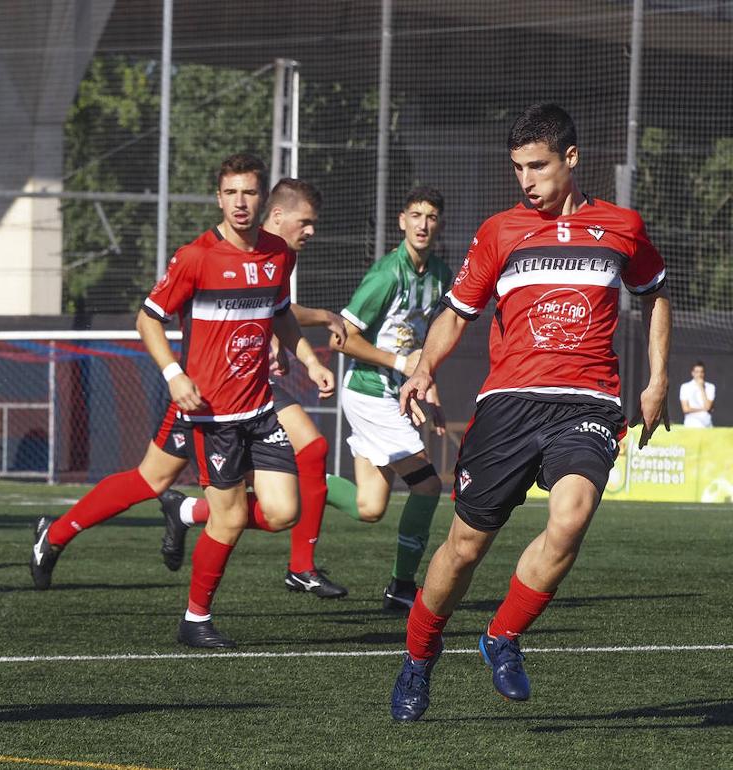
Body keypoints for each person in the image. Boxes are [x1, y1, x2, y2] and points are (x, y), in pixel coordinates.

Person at [389, 103, 671, 722]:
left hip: (588, 402)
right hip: (509, 404)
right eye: (517, 168)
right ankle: (418, 658)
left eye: (538, 166)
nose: (526, 180)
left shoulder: (622, 226)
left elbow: (654, 296)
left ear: (571, 159)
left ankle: (503, 636)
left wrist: (657, 381)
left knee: (571, 518)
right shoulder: (498, 232)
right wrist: (423, 367)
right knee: (464, 547)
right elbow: (457, 312)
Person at [28, 177, 344, 595]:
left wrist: (294, 351)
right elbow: (221, 306)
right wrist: (314, 320)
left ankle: (291, 560)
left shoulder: (279, 254)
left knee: (308, 455)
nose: (310, 231)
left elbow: (271, 306)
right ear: (279, 214)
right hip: (207, 395)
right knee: (151, 480)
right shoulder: (214, 252)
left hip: (252, 394)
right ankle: (58, 535)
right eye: (305, 222)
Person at [140, 153, 334, 648]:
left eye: (248, 192)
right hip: (214, 416)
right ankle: (195, 618)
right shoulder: (196, 257)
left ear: (262, 198)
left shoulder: (277, 253)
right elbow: (148, 318)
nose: (240, 202)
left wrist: (309, 361)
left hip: (259, 409)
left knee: (284, 512)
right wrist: (173, 373)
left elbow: (282, 314)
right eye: (231, 193)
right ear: (219, 198)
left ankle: (185, 515)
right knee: (227, 518)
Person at [325, 186, 453, 612]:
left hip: (392, 393)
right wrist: (402, 365)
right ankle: (402, 587)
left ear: (439, 223)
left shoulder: (439, 275)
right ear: (401, 221)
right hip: (369, 392)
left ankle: (304, 480)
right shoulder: (386, 274)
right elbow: (340, 338)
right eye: (415, 215)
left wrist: (427, 384)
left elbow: (427, 342)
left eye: (431, 216)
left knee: (369, 506)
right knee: (428, 485)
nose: (422, 223)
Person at [679, 361, 715, 427]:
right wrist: (703, 409)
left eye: (702, 372)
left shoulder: (711, 386)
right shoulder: (685, 387)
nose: (699, 374)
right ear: (692, 373)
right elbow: (685, 409)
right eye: (697, 372)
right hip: (691, 422)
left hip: (707, 422)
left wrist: (701, 388)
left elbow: (708, 406)